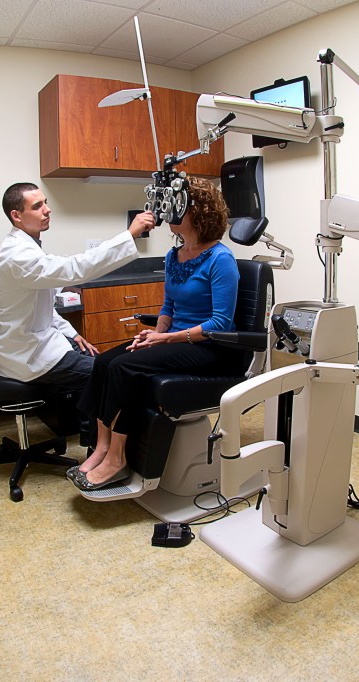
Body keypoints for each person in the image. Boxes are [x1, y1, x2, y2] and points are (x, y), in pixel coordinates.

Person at [71, 177, 245, 491]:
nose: (170, 213)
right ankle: (101, 446)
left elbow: (221, 324)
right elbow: (168, 307)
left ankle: (117, 458)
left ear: (198, 211)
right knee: (106, 360)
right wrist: (151, 334)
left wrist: (162, 340)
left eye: (179, 206)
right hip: (175, 340)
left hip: (210, 349)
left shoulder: (221, 259)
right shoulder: (174, 256)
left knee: (126, 367)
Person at [0, 182, 156, 393]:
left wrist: (71, 333)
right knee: (109, 374)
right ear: (17, 215)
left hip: (38, 343)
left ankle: (94, 423)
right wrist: (129, 235)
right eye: (37, 205)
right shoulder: (18, 255)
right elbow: (73, 269)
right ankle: (93, 426)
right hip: (26, 355)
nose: (47, 209)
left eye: (46, 203)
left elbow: (40, 307)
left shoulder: (27, 247)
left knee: (102, 361)